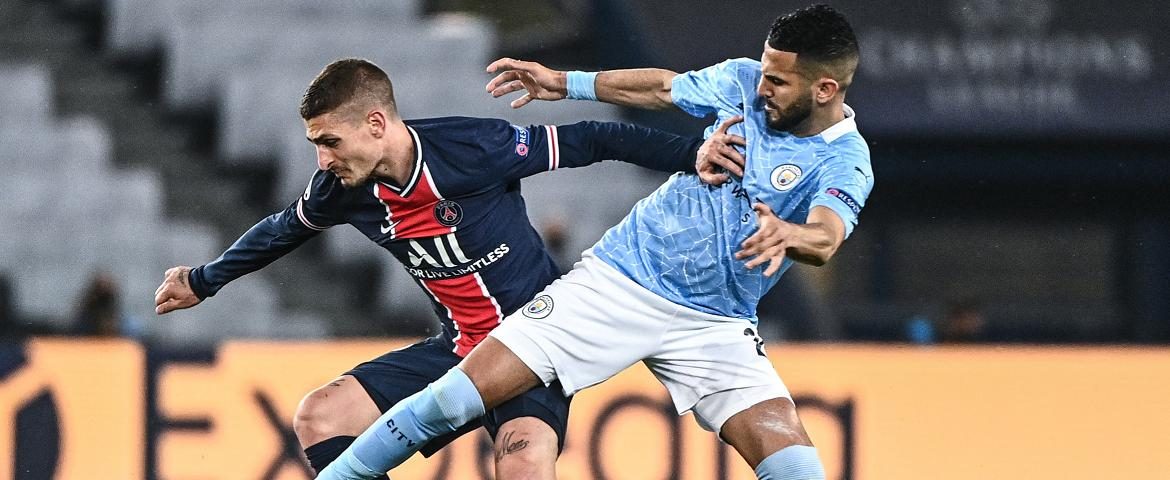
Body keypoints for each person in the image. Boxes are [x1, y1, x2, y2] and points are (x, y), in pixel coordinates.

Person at [319, 4, 873, 480]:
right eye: (764, 71)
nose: (760, 86)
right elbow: (663, 86)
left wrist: (789, 233)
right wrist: (566, 84)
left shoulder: (844, 163)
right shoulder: (743, 82)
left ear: (825, 89)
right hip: (622, 280)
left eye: (778, 81)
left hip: (717, 321)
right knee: (455, 397)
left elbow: (825, 236)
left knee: (793, 458)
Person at [153, 58, 715, 479]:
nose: (321, 159)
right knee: (319, 416)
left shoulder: (472, 148)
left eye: (329, 141)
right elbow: (283, 229)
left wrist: (692, 155)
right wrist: (203, 281)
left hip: (536, 341)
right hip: (459, 348)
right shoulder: (341, 189)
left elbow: (596, 137)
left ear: (376, 123)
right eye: (315, 145)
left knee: (523, 460)